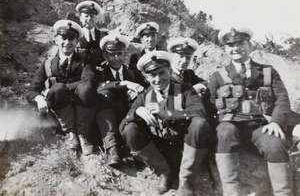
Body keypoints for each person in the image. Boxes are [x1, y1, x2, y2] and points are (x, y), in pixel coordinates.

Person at [207, 26, 292, 196]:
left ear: (249, 46)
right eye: (231, 45)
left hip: (260, 126)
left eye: (240, 43)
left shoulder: (268, 71)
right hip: (231, 126)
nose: (235, 48)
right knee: (224, 131)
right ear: (225, 49)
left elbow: (282, 99)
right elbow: (209, 106)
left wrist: (276, 122)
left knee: (275, 143)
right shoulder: (218, 76)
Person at [119, 51, 212, 195]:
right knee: (129, 128)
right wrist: (137, 112)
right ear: (146, 77)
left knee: (199, 124)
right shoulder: (144, 96)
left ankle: (186, 180)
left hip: (184, 150)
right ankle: (164, 175)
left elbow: (198, 112)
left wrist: (168, 114)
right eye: (152, 75)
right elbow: (123, 125)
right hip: (159, 154)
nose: (157, 79)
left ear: (169, 71)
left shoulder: (185, 89)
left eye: (162, 73)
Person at [25, 20, 100, 155]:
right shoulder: (48, 64)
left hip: (83, 112)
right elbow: (31, 90)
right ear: (56, 40)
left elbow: (88, 81)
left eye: (71, 39)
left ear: (77, 42)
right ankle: (71, 134)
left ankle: (83, 136)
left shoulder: (85, 61)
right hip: (59, 115)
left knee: (85, 88)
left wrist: (55, 89)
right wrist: (39, 99)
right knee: (58, 88)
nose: (67, 42)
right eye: (63, 38)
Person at [75, 0, 108, 67]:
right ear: (80, 18)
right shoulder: (75, 36)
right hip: (80, 74)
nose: (89, 19)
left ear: (96, 18)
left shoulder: (104, 35)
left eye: (92, 16)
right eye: (86, 16)